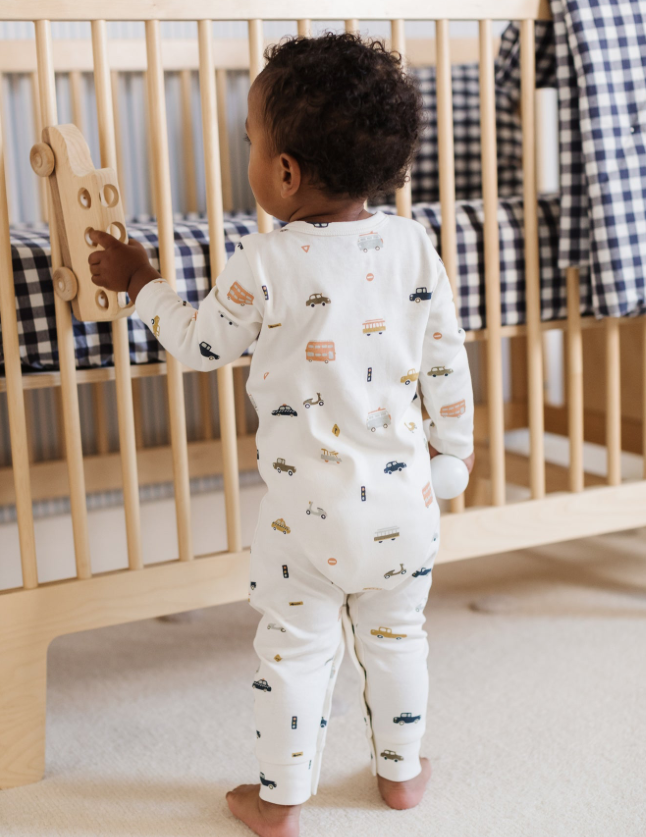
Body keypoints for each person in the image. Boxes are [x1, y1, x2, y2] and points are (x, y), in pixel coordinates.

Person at [88, 32, 475, 837]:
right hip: (407, 508)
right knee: (399, 639)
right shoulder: (415, 246)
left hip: (306, 524)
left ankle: (278, 800)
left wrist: (141, 281)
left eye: (251, 143)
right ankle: (401, 775)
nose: (250, 158)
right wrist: (455, 452)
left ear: (287, 173)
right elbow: (447, 363)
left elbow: (199, 345)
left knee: (295, 653)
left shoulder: (262, 262)